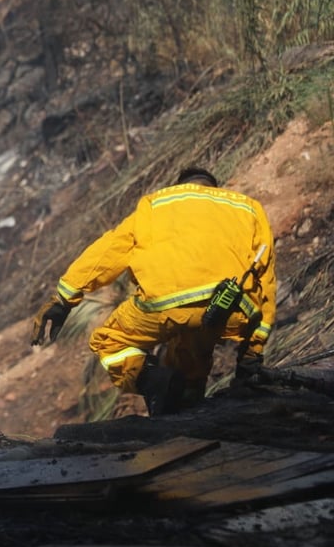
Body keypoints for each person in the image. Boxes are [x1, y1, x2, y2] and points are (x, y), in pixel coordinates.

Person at [31, 167, 277, 416]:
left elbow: (107, 253)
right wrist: (252, 355)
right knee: (191, 359)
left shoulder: (156, 204)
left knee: (110, 342)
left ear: (179, 185)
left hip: (163, 302)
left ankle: (153, 382)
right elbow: (265, 278)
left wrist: (64, 299)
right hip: (228, 306)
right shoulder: (248, 207)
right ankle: (186, 416)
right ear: (215, 187)